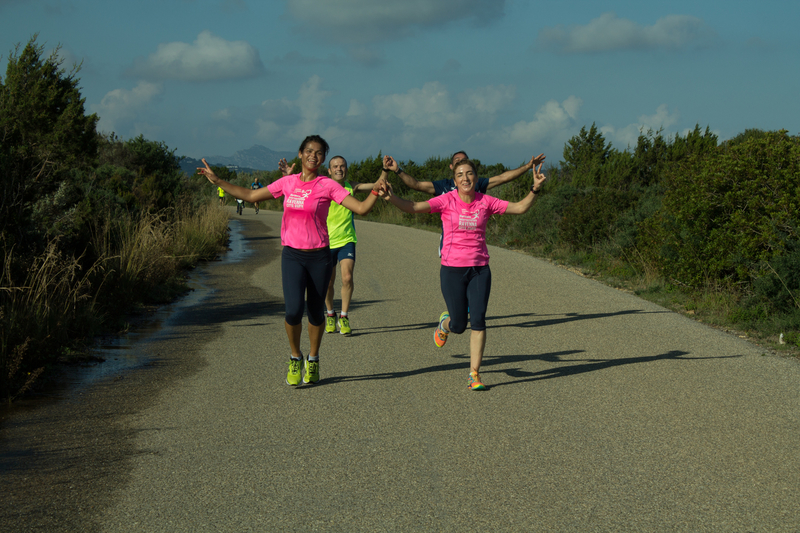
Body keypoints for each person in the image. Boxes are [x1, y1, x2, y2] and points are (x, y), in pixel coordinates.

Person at [198, 135, 385, 387]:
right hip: (292, 255)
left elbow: (361, 209)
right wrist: (217, 180)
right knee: (293, 311)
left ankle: (314, 358)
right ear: (300, 153)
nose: (313, 156)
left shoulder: (327, 185)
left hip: (319, 256)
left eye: (319, 153)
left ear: (323, 158)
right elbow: (251, 196)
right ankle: (295, 357)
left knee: (316, 314)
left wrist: (375, 190)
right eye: (309, 151)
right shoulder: (288, 183)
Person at [379, 156, 547, 390]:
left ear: (476, 178)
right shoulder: (446, 200)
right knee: (459, 325)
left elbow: (519, 208)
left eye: (469, 174)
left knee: (478, 320)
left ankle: (474, 374)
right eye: (460, 175)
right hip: (452, 270)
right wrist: (391, 198)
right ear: (455, 181)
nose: (465, 178)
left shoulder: (485, 201)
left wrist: (535, 189)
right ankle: (444, 324)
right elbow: (414, 207)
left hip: (480, 270)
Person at [278, 155, 378, 336]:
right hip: (325, 242)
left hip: (347, 240)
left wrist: (386, 173)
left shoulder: (351, 186)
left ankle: (344, 316)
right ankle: (330, 313)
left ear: (346, 169)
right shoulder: (322, 187)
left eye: (343, 166)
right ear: (329, 170)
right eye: (335, 166)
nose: (339, 169)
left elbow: (376, 185)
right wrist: (288, 177)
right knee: (328, 283)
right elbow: (297, 188)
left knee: (347, 277)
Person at [383, 150, 545, 255]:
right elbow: (416, 185)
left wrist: (528, 167)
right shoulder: (444, 186)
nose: (462, 165)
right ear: (452, 167)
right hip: (451, 245)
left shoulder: (478, 185)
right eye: (458, 162)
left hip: (475, 247)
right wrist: (397, 170)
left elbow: (503, 178)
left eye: (465, 162)